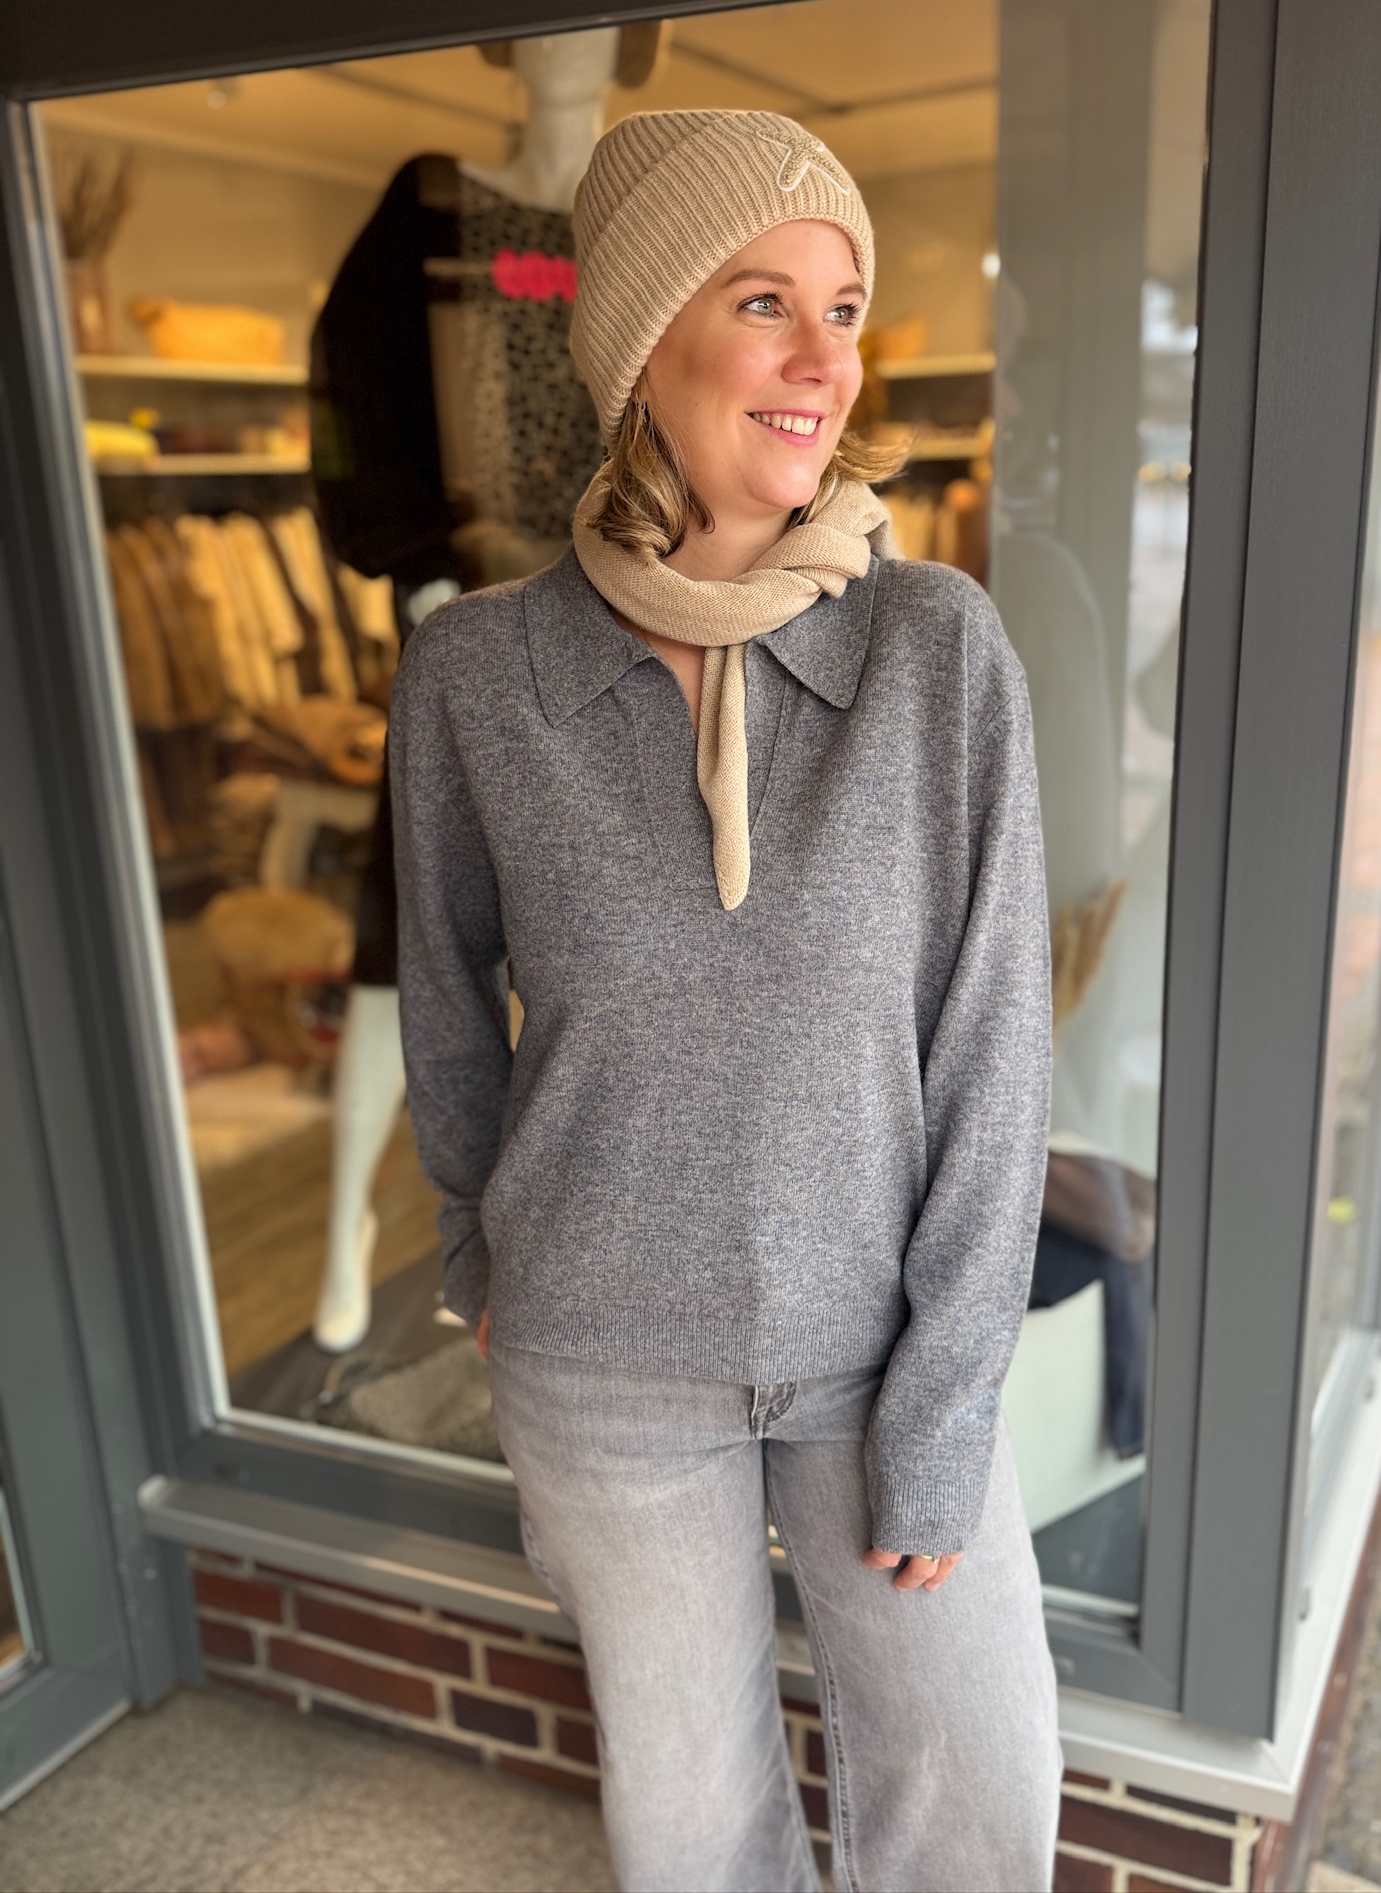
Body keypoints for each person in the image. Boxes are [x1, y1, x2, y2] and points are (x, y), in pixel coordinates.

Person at [391, 108, 1060, 1893]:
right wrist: (477, 1252)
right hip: (600, 1362)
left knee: (976, 1803)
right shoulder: (476, 677)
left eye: (843, 309)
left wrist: (945, 1404)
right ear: (642, 340)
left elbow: (996, 1052)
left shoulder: (934, 650)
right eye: (766, 302)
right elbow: (444, 997)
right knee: (692, 1832)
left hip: (881, 1351)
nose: (824, 361)